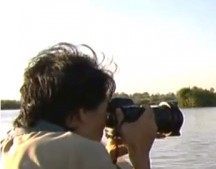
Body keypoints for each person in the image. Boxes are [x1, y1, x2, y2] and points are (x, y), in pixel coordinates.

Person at [0, 42, 157, 169]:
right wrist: (139, 153)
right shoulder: (78, 150)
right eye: (105, 111)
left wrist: (109, 155)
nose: (106, 122)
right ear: (79, 115)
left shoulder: (10, 146)